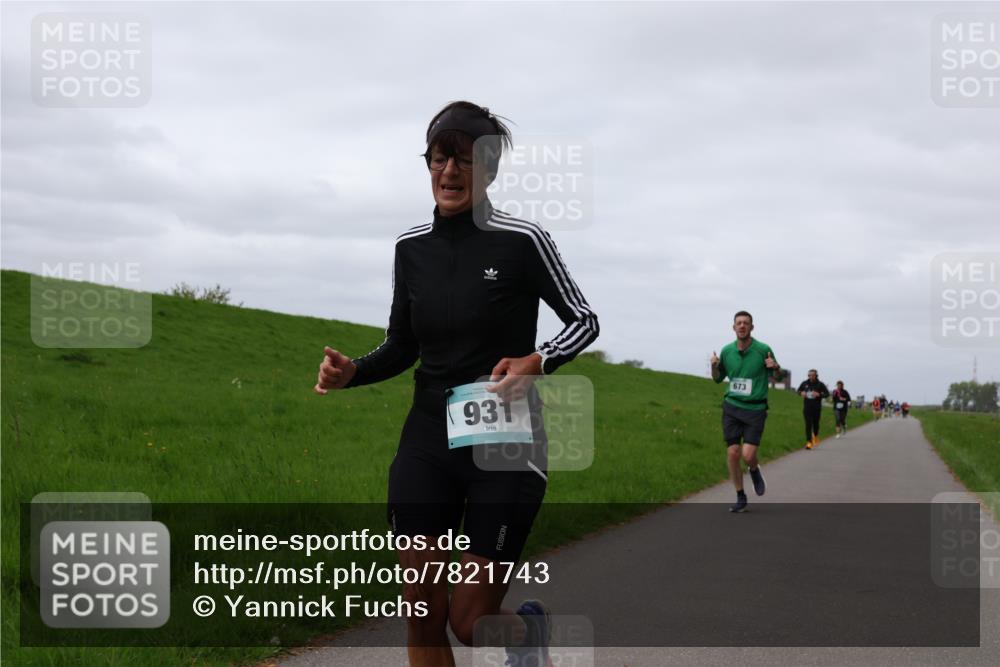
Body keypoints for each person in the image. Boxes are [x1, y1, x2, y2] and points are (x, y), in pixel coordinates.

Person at [313, 101, 599, 667]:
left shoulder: (523, 241)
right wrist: (353, 374)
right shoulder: (410, 247)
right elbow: (401, 345)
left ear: (489, 169)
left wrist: (537, 360)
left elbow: (583, 320)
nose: (449, 171)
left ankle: (528, 635)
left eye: (464, 160)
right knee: (422, 611)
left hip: (505, 446)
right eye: (439, 158)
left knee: (470, 624)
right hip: (427, 440)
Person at [710, 311, 782, 513]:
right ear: (733, 327)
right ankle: (741, 495)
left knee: (748, 455)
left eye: (746, 323)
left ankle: (753, 468)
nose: (742, 326)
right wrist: (713, 366)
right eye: (738, 323)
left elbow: (778, 375)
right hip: (732, 406)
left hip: (755, 408)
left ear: (752, 327)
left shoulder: (763, 349)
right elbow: (717, 378)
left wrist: (775, 366)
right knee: (733, 452)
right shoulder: (726, 351)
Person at [797, 370, 830, 449]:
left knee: (815, 424)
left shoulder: (820, 384)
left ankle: (815, 435)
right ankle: (809, 442)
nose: (810, 377)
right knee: (808, 425)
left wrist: (819, 394)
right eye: (809, 375)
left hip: (816, 408)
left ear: (816, 376)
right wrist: (801, 393)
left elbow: (827, 394)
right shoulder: (804, 383)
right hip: (807, 407)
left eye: (812, 375)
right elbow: (798, 391)